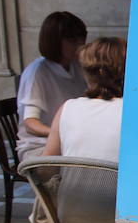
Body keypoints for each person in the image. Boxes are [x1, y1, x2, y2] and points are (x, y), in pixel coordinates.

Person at [16, 11, 89, 160]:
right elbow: (30, 123)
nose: (80, 45)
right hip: (39, 147)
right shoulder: (38, 71)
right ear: (55, 41)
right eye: (72, 40)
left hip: (69, 142)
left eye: (82, 38)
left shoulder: (76, 66)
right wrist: (59, 134)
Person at [43, 37, 125, 162]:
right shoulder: (136, 111)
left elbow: (46, 167)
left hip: (73, 182)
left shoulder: (68, 108)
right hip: (118, 181)